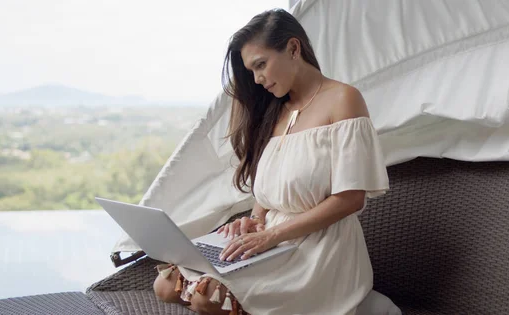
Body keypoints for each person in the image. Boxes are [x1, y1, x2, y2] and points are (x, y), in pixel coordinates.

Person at [153, 8, 396, 315]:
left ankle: (358, 303)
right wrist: (256, 219)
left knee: (205, 298)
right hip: (268, 242)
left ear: (293, 48)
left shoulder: (343, 99)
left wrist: (272, 235)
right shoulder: (275, 110)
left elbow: (350, 199)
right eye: (251, 71)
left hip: (318, 253)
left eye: (261, 65)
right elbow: (272, 188)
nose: (257, 79)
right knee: (165, 285)